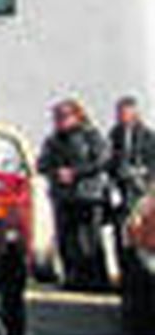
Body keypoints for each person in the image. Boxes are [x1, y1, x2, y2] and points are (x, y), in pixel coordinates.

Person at [38, 98, 113, 290]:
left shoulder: (91, 135)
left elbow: (103, 160)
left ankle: (96, 280)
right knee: (66, 240)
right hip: (63, 196)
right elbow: (42, 164)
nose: (60, 121)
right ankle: (72, 278)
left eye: (64, 116)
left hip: (88, 195)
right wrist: (57, 173)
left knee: (89, 239)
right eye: (57, 117)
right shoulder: (52, 140)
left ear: (77, 116)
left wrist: (76, 172)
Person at [110, 95, 155, 219]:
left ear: (134, 114)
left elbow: (151, 160)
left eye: (124, 113)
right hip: (121, 184)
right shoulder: (115, 133)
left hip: (140, 184)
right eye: (119, 113)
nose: (120, 116)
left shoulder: (147, 135)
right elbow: (111, 157)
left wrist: (140, 172)